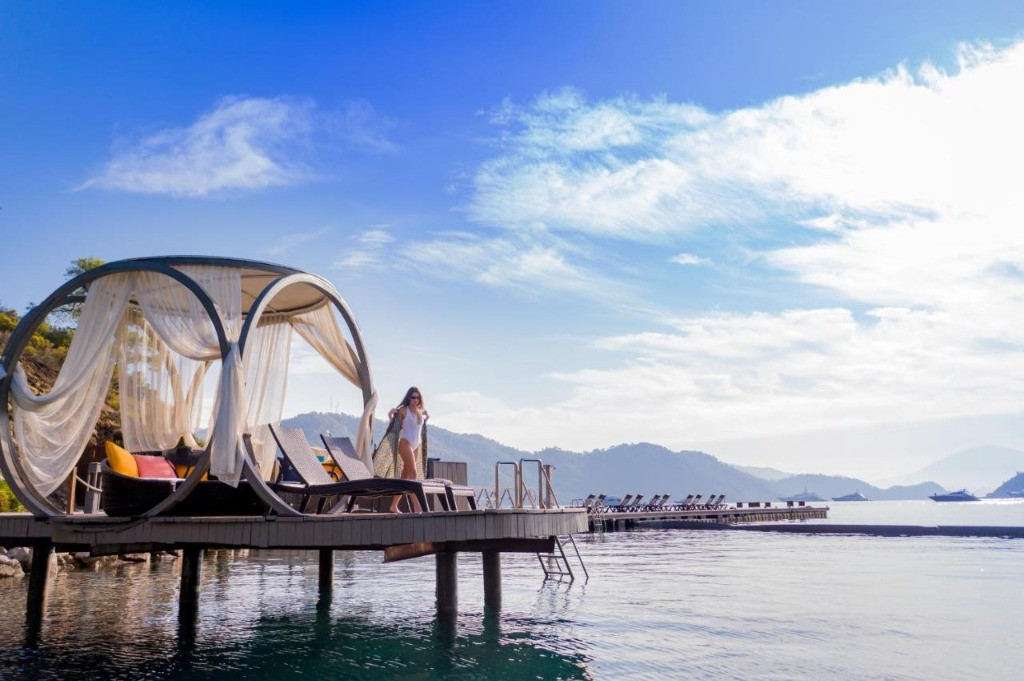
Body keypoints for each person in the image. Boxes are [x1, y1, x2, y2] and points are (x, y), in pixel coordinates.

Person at [387, 386, 429, 513]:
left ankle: (394, 505)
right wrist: (390, 415)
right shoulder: (404, 410)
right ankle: (417, 506)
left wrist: (427, 417)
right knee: (413, 474)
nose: (415, 400)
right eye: (413, 397)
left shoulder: (420, 412)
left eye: (417, 397)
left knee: (405, 476)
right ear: (408, 398)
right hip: (405, 443)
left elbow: (422, 424)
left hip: (417, 445)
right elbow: (395, 427)